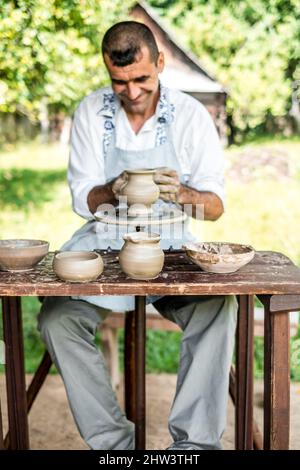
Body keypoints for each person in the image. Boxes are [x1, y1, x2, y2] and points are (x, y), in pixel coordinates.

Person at [38, 21, 237, 450]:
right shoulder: (91, 111)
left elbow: (215, 207)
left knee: (218, 307)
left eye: (141, 79)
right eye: (119, 81)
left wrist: (181, 193)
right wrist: (114, 188)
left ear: (160, 63)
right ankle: (115, 447)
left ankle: (194, 447)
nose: (130, 92)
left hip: (169, 248)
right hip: (105, 244)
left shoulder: (190, 116)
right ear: (108, 71)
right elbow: (82, 198)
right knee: (58, 320)